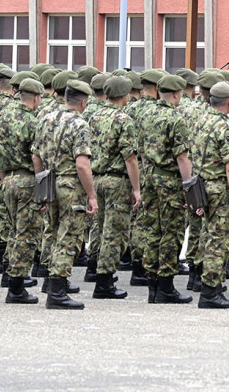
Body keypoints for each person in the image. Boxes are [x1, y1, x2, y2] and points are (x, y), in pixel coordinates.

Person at [37, 80, 99, 309]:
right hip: (70, 185)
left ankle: (52, 285)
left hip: (49, 180)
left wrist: (41, 183)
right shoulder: (80, 124)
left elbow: (36, 155)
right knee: (68, 237)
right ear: (83, 102)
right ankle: (57, 291)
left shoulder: (46, 118)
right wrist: (91, 195)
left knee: (52, 234)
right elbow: (82, 164)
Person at [138, 74, 193, 304]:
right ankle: (166, 286)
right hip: (169, 181)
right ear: (177, 94)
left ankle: (152, 284)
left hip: (149, 177)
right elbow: (182, 157)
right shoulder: (175, 118)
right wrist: (190, 187)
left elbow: (140, 150)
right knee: (171, 232)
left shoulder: (145, 114)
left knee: (151, 230)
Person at [85, 75, 140, 299]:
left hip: (96, 178)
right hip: (117, 181)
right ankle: (105, 281)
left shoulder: (94, 117)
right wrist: (136, 188)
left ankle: (95, 267)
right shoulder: (123, 119)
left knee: (99, 229)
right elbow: (130, 157)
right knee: (114, 233)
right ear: (125, 95)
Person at [0, 77, 46, 304]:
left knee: (15, 232)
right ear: (35, 97)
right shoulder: (34, 122)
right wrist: (42, 186)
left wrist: (5, 178)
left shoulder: (2, 120)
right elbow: (36, 156)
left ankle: (13, 277)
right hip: (27, 181)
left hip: (8, 180)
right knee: (26, 235)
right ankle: (16, 287)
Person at [190, 81, 229, 309]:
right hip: (218, 188)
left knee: (206, 236)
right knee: (219, 240)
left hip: (201, 185)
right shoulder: (226, 127)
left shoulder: (199, 121)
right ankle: (211, 290)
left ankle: (209, 285)